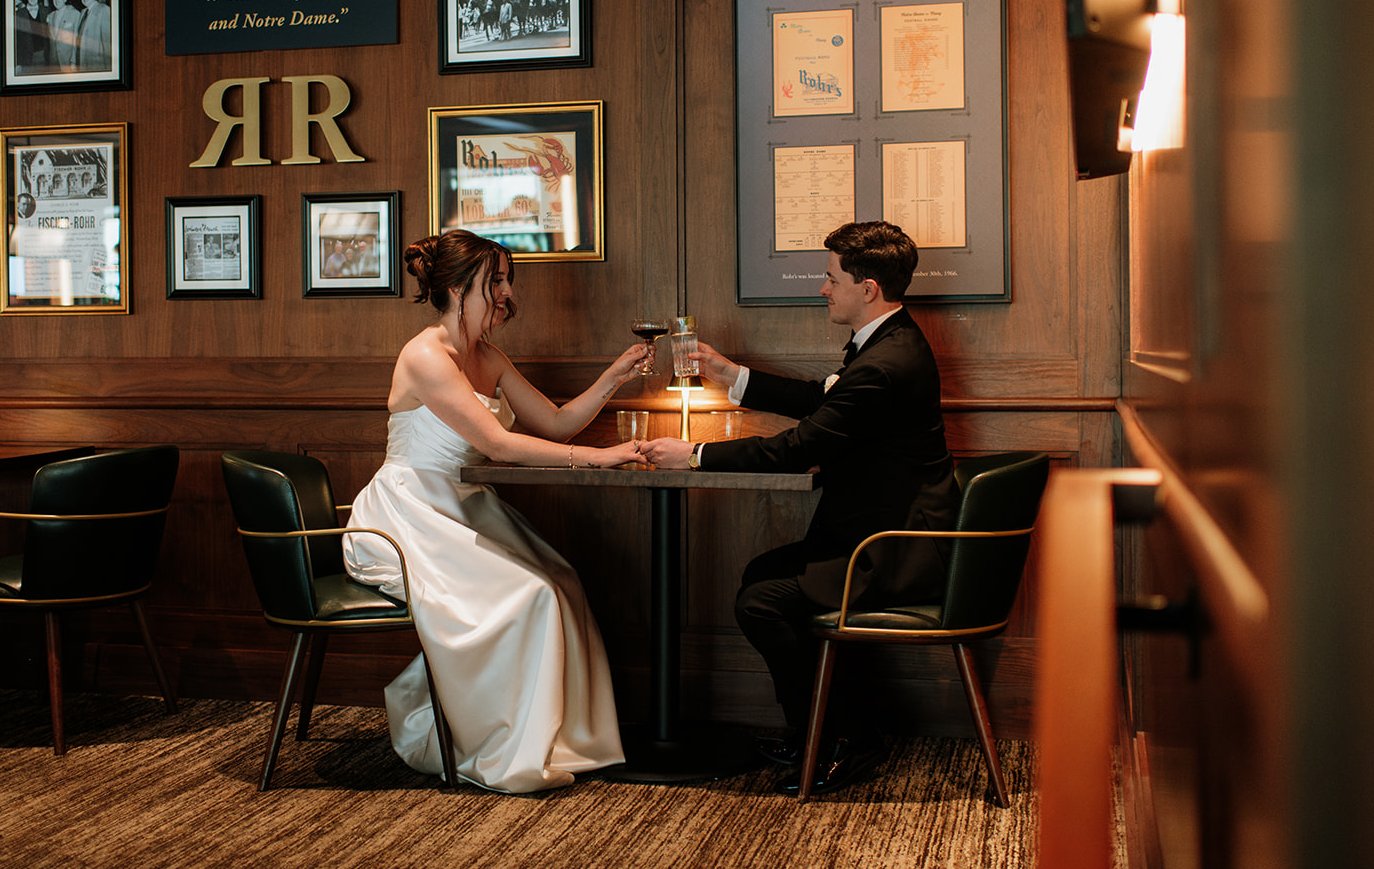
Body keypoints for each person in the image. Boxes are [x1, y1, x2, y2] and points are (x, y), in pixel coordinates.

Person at [640, 220, 957, 795]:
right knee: (763, 576)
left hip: (897, 548)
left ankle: (842, 737)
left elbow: (804, 444)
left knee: (762, 601)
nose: (822, 288)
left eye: (831, 278)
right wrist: (727, 374)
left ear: (867, 289)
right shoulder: (889, 341)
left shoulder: (887, 363)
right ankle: (819, 730)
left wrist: (693, 455)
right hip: (879, 531)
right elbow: (822, 399)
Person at [342, 229, 646, 793]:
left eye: (507, 279)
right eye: (496, 280)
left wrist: (614, 376)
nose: (507, 292)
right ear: (459, 289)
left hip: (466, 509)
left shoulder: (489, 355)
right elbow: (502, 446)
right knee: (527, 596)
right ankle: (502, 747)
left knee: (560, 581)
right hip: (410, 516)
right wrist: (598, 460)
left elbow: (554, 424)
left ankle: (563, 740)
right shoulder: (426, 356)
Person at [74, 0, 111, 71]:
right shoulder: (83, 12)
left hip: (96, 63)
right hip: (82, 61)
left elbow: (108, 42)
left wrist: (110, 68)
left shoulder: (103, 9)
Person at [45, 0, 82, 70]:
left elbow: (77, 39)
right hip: (54, 62)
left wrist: (74, 61)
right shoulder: (50, 16)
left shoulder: (75, 14)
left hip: (68, 60)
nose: (56, 0)